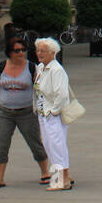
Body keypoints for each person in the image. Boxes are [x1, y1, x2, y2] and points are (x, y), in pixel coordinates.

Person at [0, 36, 51, 189]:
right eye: (17, 50)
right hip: (4, 112)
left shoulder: (32, 67)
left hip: (27, 112)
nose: (21, 53)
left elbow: (41, 89)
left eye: (23, 50)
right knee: (1, 144)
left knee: (35, 142)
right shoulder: (0, 67)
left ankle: (45, 172)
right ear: (9, 52)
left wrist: (44, 108)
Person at [33, 37, 74, 190]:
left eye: (43, 51)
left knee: (56, 147)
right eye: (38, 50)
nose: (39, 53)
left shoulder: (56, 70)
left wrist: (53, 111)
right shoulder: (42, 68)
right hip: (43, 113)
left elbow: (62, 95)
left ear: (53, 52)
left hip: (52, 115)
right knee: (51, 146)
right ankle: (64, 177)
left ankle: (60, 181)